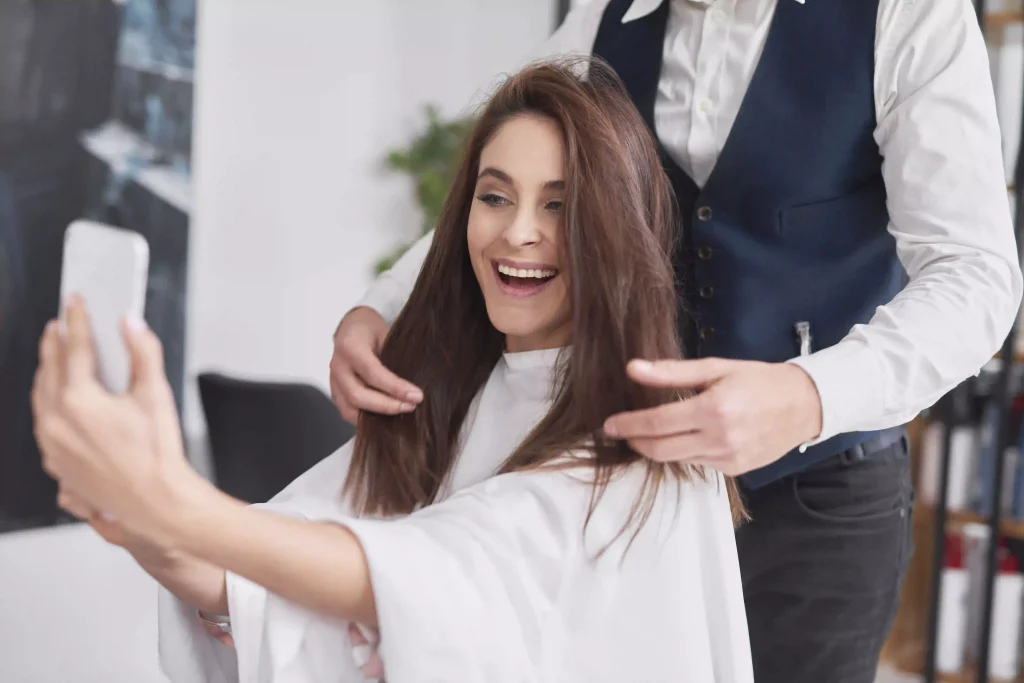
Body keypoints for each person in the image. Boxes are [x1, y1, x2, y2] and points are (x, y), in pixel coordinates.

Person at [329, 1, 1024, 681]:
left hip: (822, 503)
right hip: (633, 488)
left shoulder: (908, 14)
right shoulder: (601, 19)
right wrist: (382, 305)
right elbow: (512, 180)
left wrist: (810, 394)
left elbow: (977, 276)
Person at [32, 59, 754, 683]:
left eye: (559, 207)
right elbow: (261, 571)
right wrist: (135, 516)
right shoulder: (452, 395)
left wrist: (170, 502)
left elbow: (432, 570)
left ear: (614, 229)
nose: (517, 231)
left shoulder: (658, 442)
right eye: (495, 196)